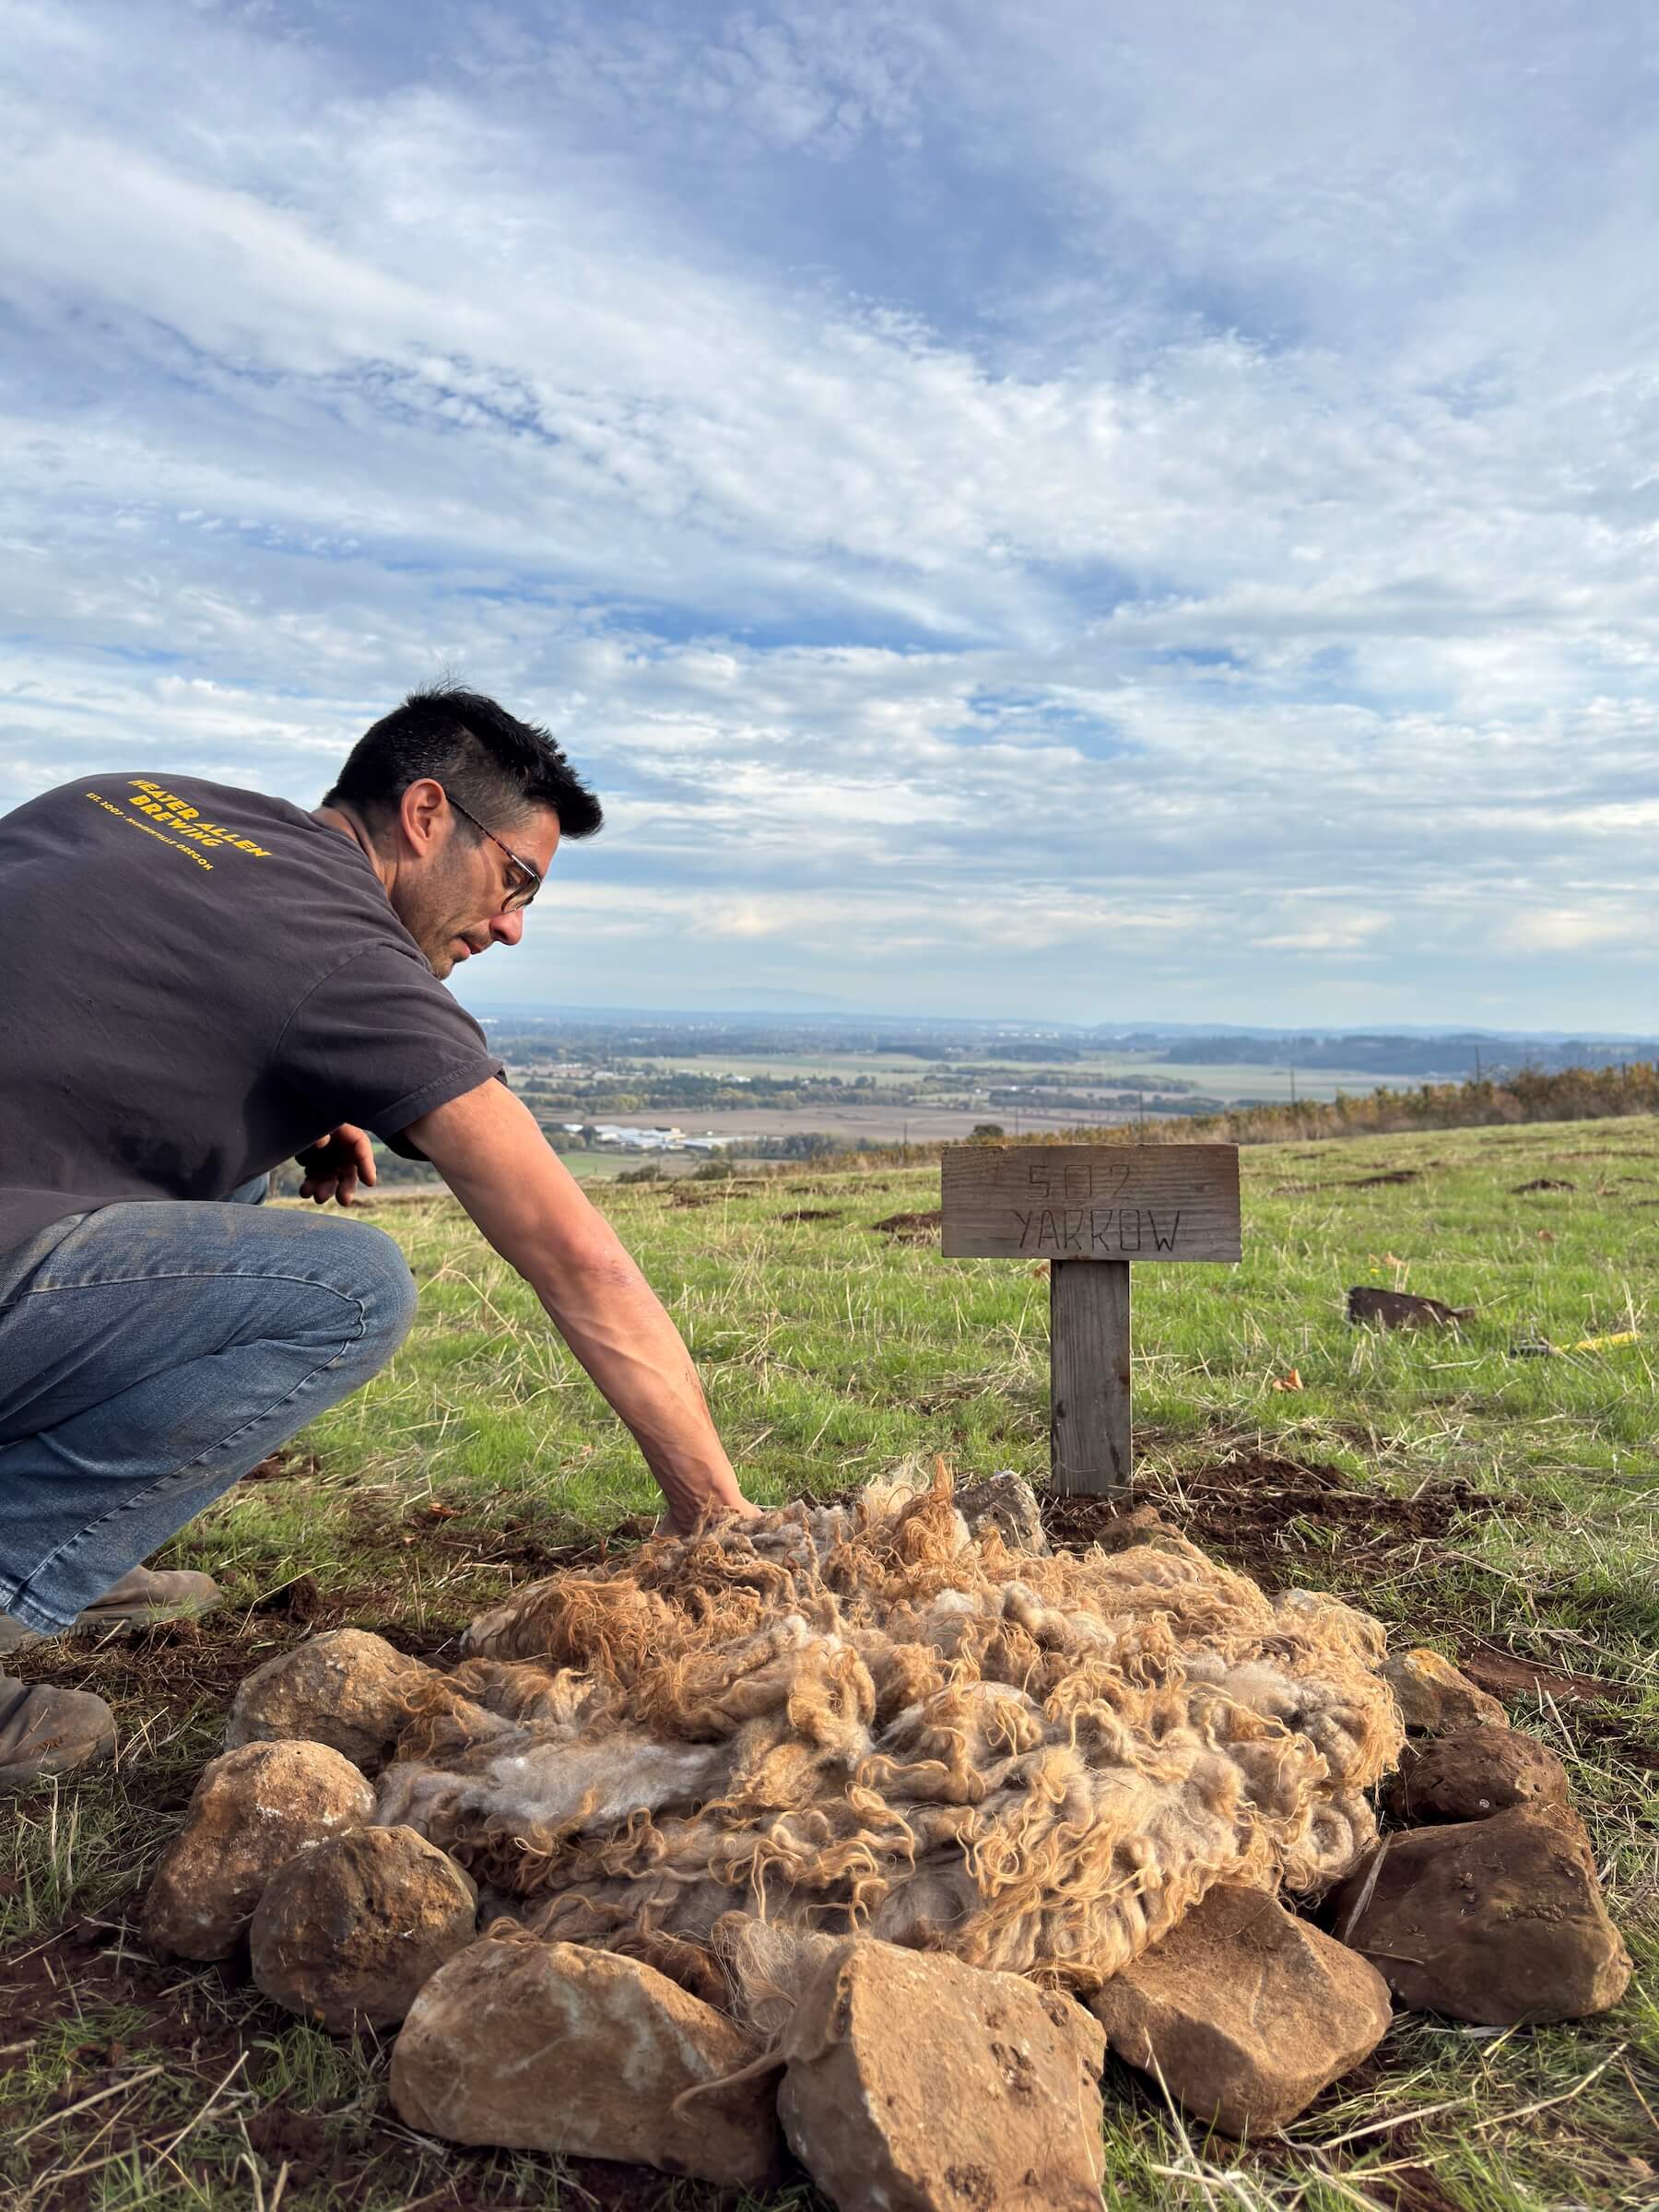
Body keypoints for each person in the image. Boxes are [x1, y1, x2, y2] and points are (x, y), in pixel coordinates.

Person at [0, 685, 756, 1789]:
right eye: (518, 881)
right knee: (351, 1286)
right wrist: (717, 1516)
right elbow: (572, 1254)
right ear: (426, 815)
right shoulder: (345, 957)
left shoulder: (137, 801)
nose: (511, 926)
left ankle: (82, 1542)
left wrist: (295, 1101)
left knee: (239, 1183)